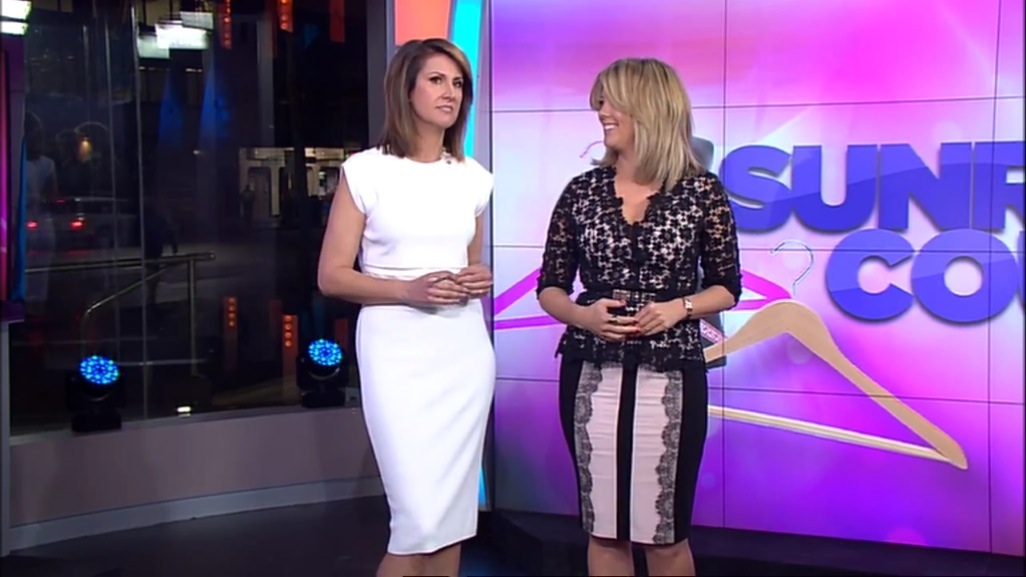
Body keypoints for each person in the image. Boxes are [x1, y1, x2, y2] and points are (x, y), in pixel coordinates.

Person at [537, 57, 742, 577]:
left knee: (663, 532)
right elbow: (550, 288)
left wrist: (679, 308)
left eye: (611, 102)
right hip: (591, 370)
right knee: (604, 528)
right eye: (600, 102)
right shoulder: (581, 192)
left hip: (671, 370)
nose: (602, 112)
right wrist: (583, 316)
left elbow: (727, 288)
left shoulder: (702, 192)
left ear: (648, 107)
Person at [316, 38, 495, 577]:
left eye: (458, 83)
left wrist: (477, 278)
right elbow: (331, 276)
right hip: (396, 351)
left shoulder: (473, 177)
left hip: (462, 352)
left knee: (451, 519)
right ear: (406, 89)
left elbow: (468, 263)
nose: (450, 93)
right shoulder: (366, 172)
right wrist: (406, 290)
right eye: (437, 80)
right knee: (417, 519)